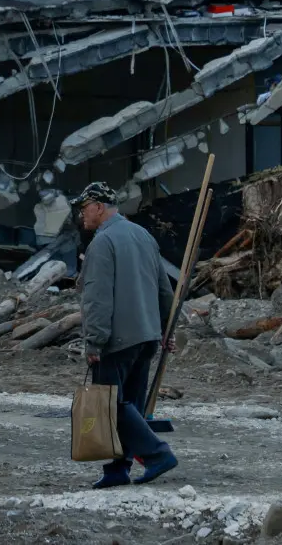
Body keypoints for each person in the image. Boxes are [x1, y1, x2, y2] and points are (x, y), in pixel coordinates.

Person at [73, 181, 179, 489]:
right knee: (128, 405)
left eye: (84, 209)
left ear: (98, 207)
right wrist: (165, 331)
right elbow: (164, 289)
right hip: (146, 337)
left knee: (111, 406)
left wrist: (94, 341)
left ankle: (158, 454)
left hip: (116, 339)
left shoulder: (102, 243)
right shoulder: (142, 235)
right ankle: (117, 470)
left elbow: (97, 297)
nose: (83, 216)